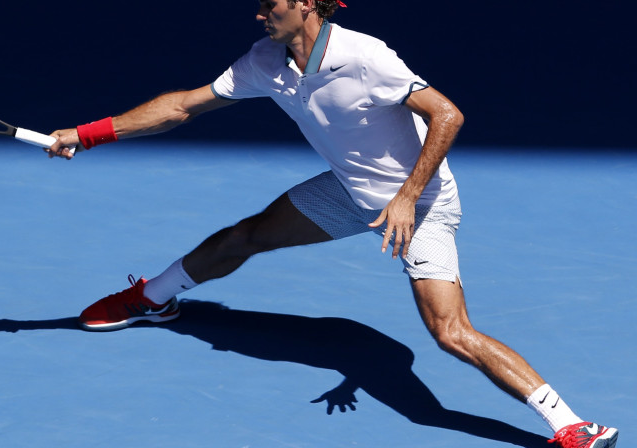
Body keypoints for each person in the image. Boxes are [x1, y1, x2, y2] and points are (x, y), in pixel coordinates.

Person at [45, 1, 618, 447]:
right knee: (246, 236)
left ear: (305, 5)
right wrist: (86, 135)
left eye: (271, 3)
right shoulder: (265, 61)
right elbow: (181, 106)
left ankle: (572, 426)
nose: (260, 12)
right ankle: (153, 298)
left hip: (421, 206)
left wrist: (406, 198)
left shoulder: (365, 56)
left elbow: (447, 114)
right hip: (348, 192)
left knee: (450, 332)